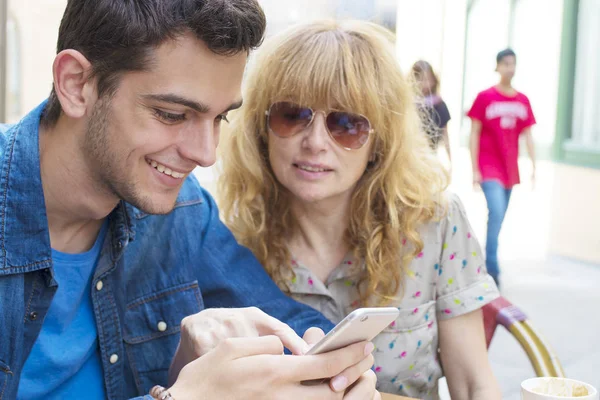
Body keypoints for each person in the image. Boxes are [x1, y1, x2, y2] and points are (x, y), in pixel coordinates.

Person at [0, 1, 379, 399]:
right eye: (172, 114)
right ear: (77, 84)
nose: (206, 153)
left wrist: (336, 367)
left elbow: (290, 324)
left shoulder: (181, 208)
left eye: (219, 118)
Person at [218, 20, 502, 400]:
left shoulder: (434, 223)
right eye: (292, 115)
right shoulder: (232, 236)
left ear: (379, 141)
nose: (315, 142)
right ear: (261, 128)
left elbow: (473, 384)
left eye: (346, 124)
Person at [468, 48, 536, 286]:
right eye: (506, 64)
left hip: (510, 168)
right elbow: (474, 133)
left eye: (513, 64)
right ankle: (492, 269)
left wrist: (533, 166)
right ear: (497, 67)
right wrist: (474, 168)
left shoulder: (522, 100)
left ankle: (488, 262)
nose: (510, 68)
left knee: (499, 217)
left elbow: (528, 135)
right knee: (495, 212)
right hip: (489, 166)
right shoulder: (485, 97)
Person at [411, 60, 452, 162]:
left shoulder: (439, 105)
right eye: (421, 80)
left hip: (430, 158)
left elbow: (445, 134)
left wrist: (449, 159)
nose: (426, 84)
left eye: (429, 79)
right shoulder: (407, 104)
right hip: (410, 156)